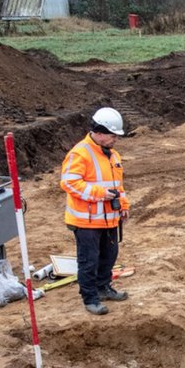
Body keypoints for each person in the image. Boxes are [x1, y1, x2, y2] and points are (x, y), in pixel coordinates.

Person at [60, 107, 131, 315]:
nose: (115, 140)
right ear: (99, 132)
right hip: (87, 222)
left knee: (109, 256)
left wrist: (123, 205)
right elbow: (69, 183)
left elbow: (118, 184)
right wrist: (100, 193)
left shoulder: (113, 155)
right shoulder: (79, 153)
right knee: (88, 261)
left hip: (109, 219)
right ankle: (90, 298)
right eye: (112, 135)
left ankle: (103, 287)